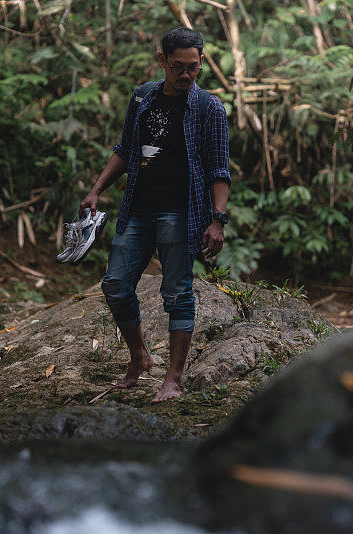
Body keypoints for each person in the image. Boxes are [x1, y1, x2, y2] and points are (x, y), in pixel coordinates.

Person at [79, 27, 231, 403]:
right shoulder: (143, 97)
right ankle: (140, 357)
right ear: (162, 60)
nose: (186, 76)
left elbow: (218, 169)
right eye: (178, 67)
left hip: (180, 213)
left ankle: (173, 379)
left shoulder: (209, 108)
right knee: (115, 285)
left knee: (177, 293)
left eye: (194, 68)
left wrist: (217, 219)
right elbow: (126, 148)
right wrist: (97, 188)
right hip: (138, 208)